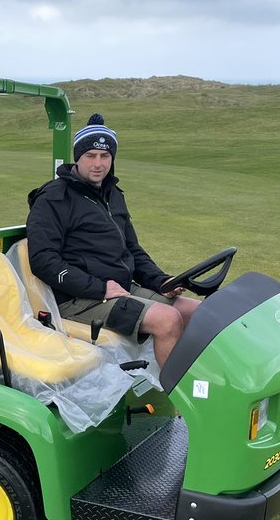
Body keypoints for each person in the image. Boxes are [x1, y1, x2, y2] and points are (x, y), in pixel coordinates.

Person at [25, 113, 199, 368]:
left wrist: (160, 280)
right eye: (90, 156)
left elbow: (132, 249)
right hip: (77, 298)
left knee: (197, 312)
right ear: (78, 157)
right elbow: (43, 261)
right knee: (167, 319)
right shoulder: (53, 198)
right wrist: (99, 288)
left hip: (117, 286)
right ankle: (178, 400)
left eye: (105, 156)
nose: (98, 164)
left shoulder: (112, 194)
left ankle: (198, 387)